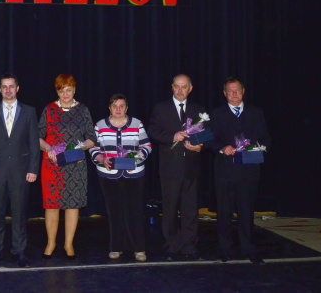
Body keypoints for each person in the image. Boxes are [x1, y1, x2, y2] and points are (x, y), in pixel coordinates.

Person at [0, 73, 40, 268]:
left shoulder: (29, 111)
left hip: (21, 172)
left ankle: (19, 252)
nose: (8, 90)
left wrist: (33, 168)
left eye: (11, 86)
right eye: (4, 87)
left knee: (19, 215)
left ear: (17, 88)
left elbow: (33, 142)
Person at [209, 77, 271, 264]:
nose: (234, 94)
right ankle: (225, 249)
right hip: (225, 171)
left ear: (243, 92)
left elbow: (266, 138)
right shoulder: (216, 113)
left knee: (246, 212)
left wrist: (259, 149)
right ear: (224, 93)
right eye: (230, 91)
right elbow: (210, 139)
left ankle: (249, 248)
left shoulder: (256, 113)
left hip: (249, 171)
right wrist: (222, 148)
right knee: (224, 212)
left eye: (237, 90)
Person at [148, 74, 206, 260]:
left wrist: (200, 146)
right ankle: (172, 243)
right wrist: (172, 137)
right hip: (169, 168)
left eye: (184, 87)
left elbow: (206, 133)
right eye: (177, 86)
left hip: (191, 167)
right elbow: (152, 131)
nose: (180, 90)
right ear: (172, 87)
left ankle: (190, 244)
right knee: (170, 208)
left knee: (190, 209)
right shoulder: (161, 108)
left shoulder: (198, 109)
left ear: (190, 89)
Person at [38, 74, 95, 261]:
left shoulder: (83, 110)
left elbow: (92, 138)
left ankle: (68, 244)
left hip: (75, 164)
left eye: (69, 90)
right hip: (52, 164)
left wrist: (80, 148)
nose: (65, 94)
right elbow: (37, 136)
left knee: (73, 205)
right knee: (52, 205)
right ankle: (51, 243)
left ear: (74, 90)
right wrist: (49, 148)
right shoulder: (49, 110)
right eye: (61, 90)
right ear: (57, 92)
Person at [90, 94, 152, 262]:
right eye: (114, 106)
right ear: (109, 108)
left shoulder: (137, 124)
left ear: (126, 108)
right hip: (108, 174)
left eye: (121, 106)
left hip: (134, 173)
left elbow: (146, 146)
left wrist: (135, 158)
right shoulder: (100, 125)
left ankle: (139, 248)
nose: (118, 109)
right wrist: (102, 159)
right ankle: (116, 247)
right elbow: (93, 148)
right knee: (114, 212)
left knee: (135, 211)